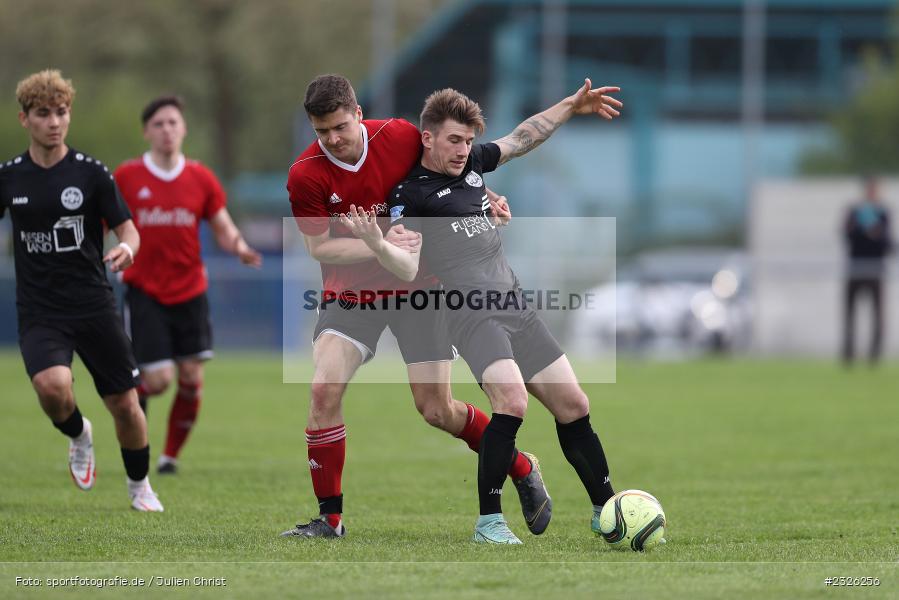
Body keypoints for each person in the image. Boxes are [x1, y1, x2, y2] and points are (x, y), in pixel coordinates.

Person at [343, 80, 623, 543]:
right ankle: (489, 522)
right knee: (511, 402)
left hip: (514, 303)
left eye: (469, 141)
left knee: (575, 405)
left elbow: (521, 138)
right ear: (427, 137)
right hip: (472, 314)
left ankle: (605, 509)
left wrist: (571, 106)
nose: (463, 150)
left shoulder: (472, 166)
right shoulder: (409, 195)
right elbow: (408, 265)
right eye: (454, 140)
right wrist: (375, 241)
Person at [281, 74, 549, 538]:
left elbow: (450, 173)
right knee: (324, 389)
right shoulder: (305, 174)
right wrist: (379, 243)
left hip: (419, 291)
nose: (333, 140)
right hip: (352, 295)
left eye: (340, 127)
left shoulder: (401, 136)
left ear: (359, 114)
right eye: (321, 131)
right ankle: (330, 519)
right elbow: (320, 248)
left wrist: (483, 199)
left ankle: (521, 466)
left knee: (437, 410)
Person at [0, 69, 163, 511]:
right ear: (24, 119)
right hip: (39, 309)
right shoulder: (10, 177)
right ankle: (78, 435)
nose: (54, 121)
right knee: (52, 388)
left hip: (93, 304)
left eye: (62, 112)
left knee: (126, 406)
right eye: (43, 114)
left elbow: (131, 232)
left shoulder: (91, 174)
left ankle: (139, 486)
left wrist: (128, 249)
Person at [114, 96, 262, 475]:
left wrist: (240, 247)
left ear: (184, 129)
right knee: (159, 381)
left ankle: (168, 458)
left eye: (173, 123)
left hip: (190, 291)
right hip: (145, 291)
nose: (167, 130)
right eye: (159, 124)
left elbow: (223, 226)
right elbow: (105, 225)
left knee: (192, 379)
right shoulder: (127, 178)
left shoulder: (201, 178)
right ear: (147, 131)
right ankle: (130, 421)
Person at [842, 176, 892, 365]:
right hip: (855, 268)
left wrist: (876, 233)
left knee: (877, 314)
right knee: (850, 314)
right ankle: (849, 354)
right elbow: (847, 235)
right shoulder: (855, 212)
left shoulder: (883, 213)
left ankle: (874, 356)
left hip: (875, 269)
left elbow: (887, 242)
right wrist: (863, 231)